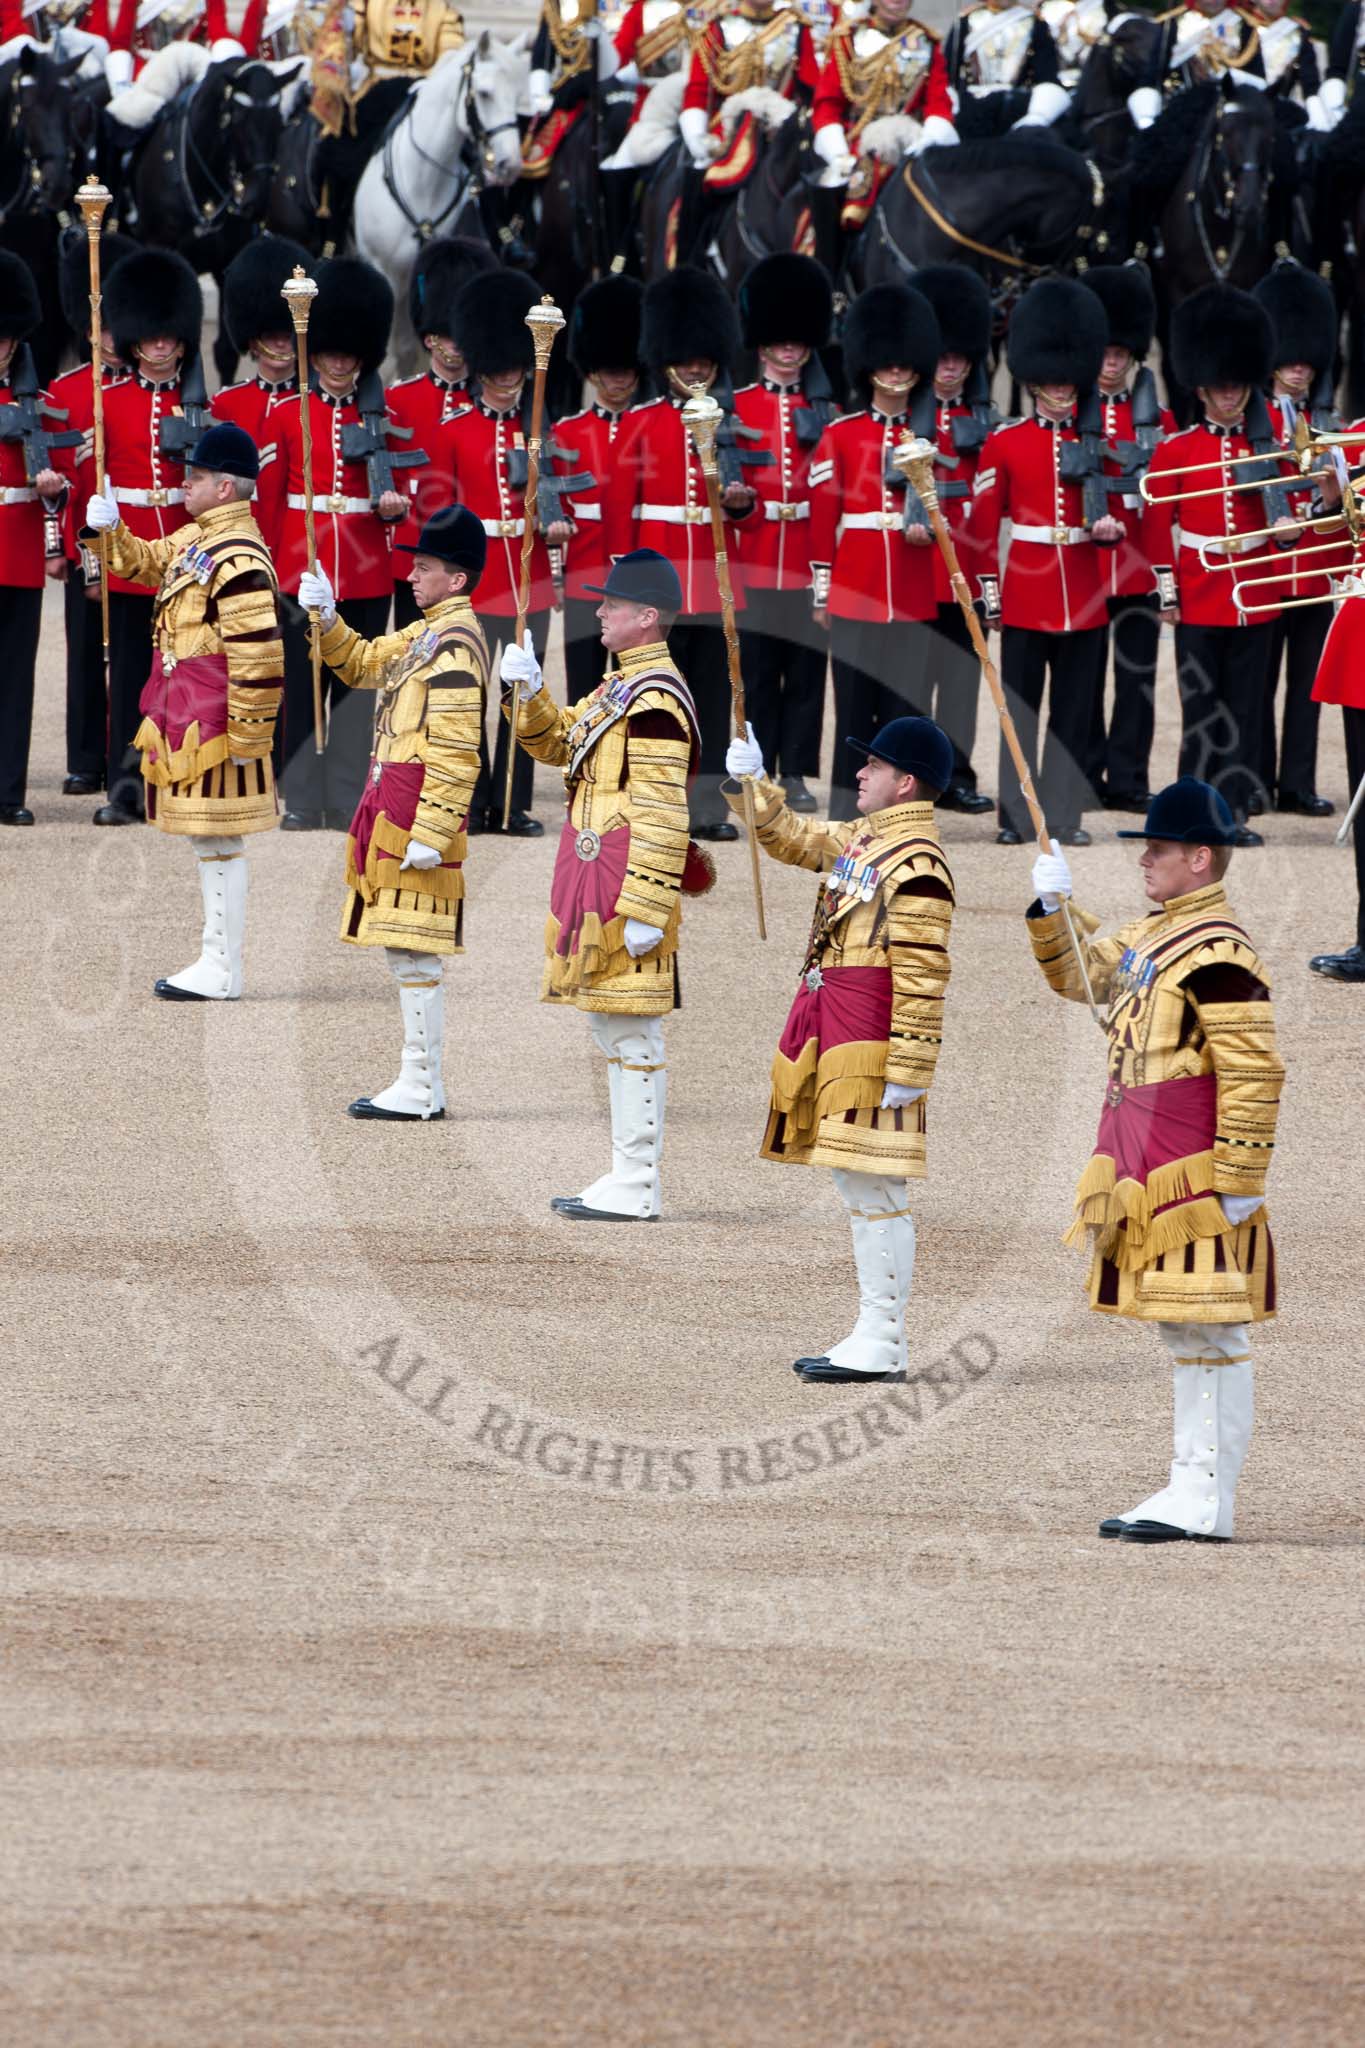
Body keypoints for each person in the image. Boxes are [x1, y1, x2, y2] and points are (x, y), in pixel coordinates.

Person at [1027, 777, 1283, 1541]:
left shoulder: (1218, 952)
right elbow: (1082, 974)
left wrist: (1238, 1178)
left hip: (1192, 1162)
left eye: (1160, 851)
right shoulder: (1152, 933)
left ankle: (1205, 1498)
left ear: (1200, 859)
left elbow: (1253, 1069)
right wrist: (1053, 910)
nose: (1146, 861)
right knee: (1183, 1329)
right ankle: (1188, 1488)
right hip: (1144, 1151)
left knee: (1211, 1328)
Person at [724, 712, 956, 1383]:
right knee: (856, 1182)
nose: (859, 772)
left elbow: (921, 970)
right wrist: (756, 786)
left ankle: (883, 1336)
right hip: (844, 1022)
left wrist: (910, 1065)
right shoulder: (868, 838)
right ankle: (873, 1330)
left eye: (874, 766)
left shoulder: (917, 862)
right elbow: (794, 839)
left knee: (873, 1185)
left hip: (873, 1032)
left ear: (905, 783)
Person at [501, 549, 705, 1221]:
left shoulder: (653, 698)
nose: (600, 612)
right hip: (596, 872)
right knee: (610, 1028)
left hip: (624, 881)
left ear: (646, 618)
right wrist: (527, 696)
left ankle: (639, 1179)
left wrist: (647, 904)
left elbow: (662, 806)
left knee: (633, 1032)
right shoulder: (620, 686)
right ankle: (627, 1173)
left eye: (611, 605)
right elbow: (559, 745)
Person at [298, 506, 487, 1118]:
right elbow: (360, 663)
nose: (411, 575)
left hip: (414, 813)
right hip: (394, 804)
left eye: (425, 567)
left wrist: (433, 830)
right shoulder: (428, 631)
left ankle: (422, 1083)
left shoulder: (454, 646)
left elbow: (459, 752)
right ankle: (418, 1080)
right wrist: (326, 617)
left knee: (413, 949)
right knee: (402, 947)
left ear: (456, 580)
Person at [83, 423, 282, 999]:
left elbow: (259, 656)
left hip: (217, 718)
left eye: (193, 478)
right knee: (206, 840)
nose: (181, 485)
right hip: (190, 710)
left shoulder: (238, 553)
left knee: (218, 839)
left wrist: (247, 737)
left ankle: (222, 965)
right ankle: (215, 959)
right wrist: (110, 527)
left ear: (225, 488)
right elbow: (144, 563)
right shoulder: (199, 539)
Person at [605, 265, 763, 839]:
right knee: (654, 701)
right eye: (687, 360)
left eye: (705, 362)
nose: (696, 370)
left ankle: (709, 810)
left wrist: (741, 504)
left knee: (714, 702)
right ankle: (653, 803)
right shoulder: (643, 424)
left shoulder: (732, 424)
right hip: (659, 587)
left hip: (716, 583)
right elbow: (624, 512)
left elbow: (753, 515)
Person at [255, 256, 410, 832]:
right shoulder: (286, 414)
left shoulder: (383, 416)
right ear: (313, 354)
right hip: (301, 567)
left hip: (365, 571)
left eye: (349, 354)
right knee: (301, 686)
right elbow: (269, 502)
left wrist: (394, 512)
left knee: (355, 691)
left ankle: (345, 794)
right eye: (329, 353)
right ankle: (300, 796)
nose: (340, 363)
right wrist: (271, 569)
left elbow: (400, 493)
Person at [1142, 283, 1298, 847]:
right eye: (1220, 387)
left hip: (1255, 592)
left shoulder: (1273, 442)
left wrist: (1290, 528)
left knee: (1246, 709)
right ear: (1201, 387)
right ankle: (1191, 810)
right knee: (1200, 711)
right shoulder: (1177, 450)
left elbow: (1295, 506)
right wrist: (1168, 592)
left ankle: (1232, 812)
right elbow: (1159, 528)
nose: (1229, 397)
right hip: (1202, 592)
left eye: (1236, 386)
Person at [972, 276, 1121, 847]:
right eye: (1050, 383)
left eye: (1067, 382)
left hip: (1084, 591)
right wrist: (990, 594)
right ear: (1034, 382)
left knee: (1075, 713)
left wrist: (1111, 530)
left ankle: (1064, 816)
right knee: (1022, 713)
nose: (1060, 391)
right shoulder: (1006, 442)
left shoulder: (1100, 439)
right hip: (1029, 589)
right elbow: (986, 528)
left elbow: (1125, 506)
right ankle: (1015, 815)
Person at [807, 280, 941, 819]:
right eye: (885, 364)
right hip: (856, 591)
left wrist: (932, 532)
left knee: (906, 713)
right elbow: (823, 523)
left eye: (903, 364)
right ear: (869, 368)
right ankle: (846, 812)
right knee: (855, 712)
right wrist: (821, 593)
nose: (895, 372)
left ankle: (903, 817)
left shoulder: (933, 437)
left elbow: (951, 516)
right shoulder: (841, 435)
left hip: (911, 592)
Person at [80, 247, 204, 826]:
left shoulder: (203, 407)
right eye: (150, 336)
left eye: (168, 336)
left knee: (185, 676)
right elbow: (89, 484)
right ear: (134, 341)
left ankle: (180, 779)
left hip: (185, 561)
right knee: (130, 678)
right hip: (129, 562)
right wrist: (94, 552)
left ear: (181, 340)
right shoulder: (108, 403)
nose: (159, 345)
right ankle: (125, 784)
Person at [432, 268, 553, 837]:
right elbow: (442, 510)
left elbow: (565, 501)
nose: (509, 379)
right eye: (499, 369)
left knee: (520, 695)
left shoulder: (542, 431)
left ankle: (512, 804)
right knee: (466, 698)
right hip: (478, 580)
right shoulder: (455, 430)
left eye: (515, 369)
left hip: (530, 580)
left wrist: (558, 526)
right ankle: (473, 802)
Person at [733, 251, 837, 814]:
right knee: (755, 673)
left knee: (804, 675)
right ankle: (759, 769)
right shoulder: (740, 407)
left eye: (798, 338)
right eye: (780, 338)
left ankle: (794, 769)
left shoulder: (829, 412)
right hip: (756, 554)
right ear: (762, 342)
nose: (790, 347)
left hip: (805, 559)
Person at [1079, 262, 1174, 815]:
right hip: (1087, 570)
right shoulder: (1071, 416)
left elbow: (1164, 506)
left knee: (1136, 682)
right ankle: (1088, 773)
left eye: (1121, 352)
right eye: (1104, 350)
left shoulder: (1156, 417)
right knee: (1084, 682)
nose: (1112, 360)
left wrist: (1164, 575)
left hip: (1136, 566)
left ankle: (1130, 778)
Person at [908, 262, 997, 814]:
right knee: (914, 683)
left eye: (960, 359)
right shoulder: (905, 418)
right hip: (917, 568)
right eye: (942, 357)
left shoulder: (983, 420)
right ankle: (914, 776)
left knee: (962, 683)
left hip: (964, 566)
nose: (951, 368)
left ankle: (957, 774)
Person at [50, 229, 135, 801]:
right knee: (84, 652)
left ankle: (127, 753)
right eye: (102, 327)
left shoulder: (145, 391)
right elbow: (56, 480)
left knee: (135, 657)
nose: (109, 338)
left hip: (135, 543)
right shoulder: (65, 392)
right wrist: (60, 542)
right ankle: (85, 757)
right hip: (86, 541)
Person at [1251, 262, 1338, 817]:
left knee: (1307, 684)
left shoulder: (1323, 420)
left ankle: (1297, 783)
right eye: (1290, 357)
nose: (1299, 368)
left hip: (1312, 567)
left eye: (1307, 359)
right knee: (1258, 683)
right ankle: (1257, 778)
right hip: (1265, 566)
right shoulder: (1255, 418)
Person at [0, 252, 78, 826]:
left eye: (6, 339)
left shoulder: (44, 408)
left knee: (14, 677)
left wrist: (53, 491)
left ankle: (8, 792)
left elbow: (65, 481)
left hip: (19, 552)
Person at [386, 236, 495, 631]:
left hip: (467, 562)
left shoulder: (490, 406)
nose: (455, 344)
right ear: (430, 336)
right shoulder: (397, 399)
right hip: (413, 558)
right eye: (447, 334)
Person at [552, 273, 647, 706]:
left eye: (626, 370)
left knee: (637, 689)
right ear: (591, 371)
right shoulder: (568, 431)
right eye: (609, 371)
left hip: (639, 580)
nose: (619, 380)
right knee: (585, 690)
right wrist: (556, 573)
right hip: (585, 574)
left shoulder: (650, 425)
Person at [808, 0, 957, 269]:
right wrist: (838, 152)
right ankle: (831, 276)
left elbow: (938, 102)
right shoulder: (848, 39)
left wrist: (928, 139)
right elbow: (828, 103)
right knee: (834, 198)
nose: (897, 2)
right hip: (858, 143)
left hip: (912, 142)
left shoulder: (926, 41)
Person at [210, 236, 314, 458]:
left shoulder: (314, 403)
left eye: (288, 334)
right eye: (270, 335)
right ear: (253, 341)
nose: (280, 343)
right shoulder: (226, 403)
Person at [943, 0, 1071, 132]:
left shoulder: (1036, 22)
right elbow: (948, 73)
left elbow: (1047, 76)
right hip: (974, 109)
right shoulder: (965, 22)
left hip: (1019, 106)